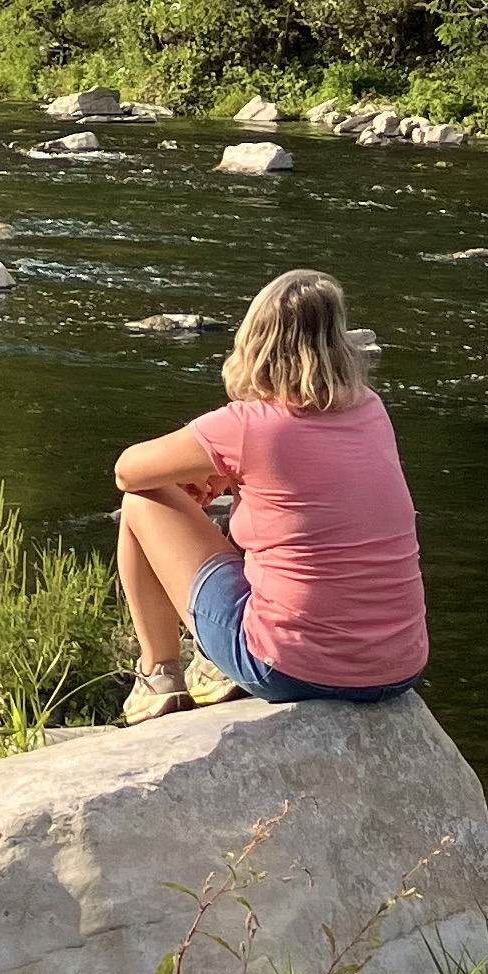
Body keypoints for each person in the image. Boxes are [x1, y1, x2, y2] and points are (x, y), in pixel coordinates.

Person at [111, 266, 429, 723]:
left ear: (256, 340)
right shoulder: (370, 409)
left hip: (290, 669)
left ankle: (158, 675)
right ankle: (212, 668)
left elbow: (128, 471)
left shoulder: (247, 425)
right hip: (397, 668)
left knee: (143, 499)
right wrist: (226, 474)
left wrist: (212, 468)